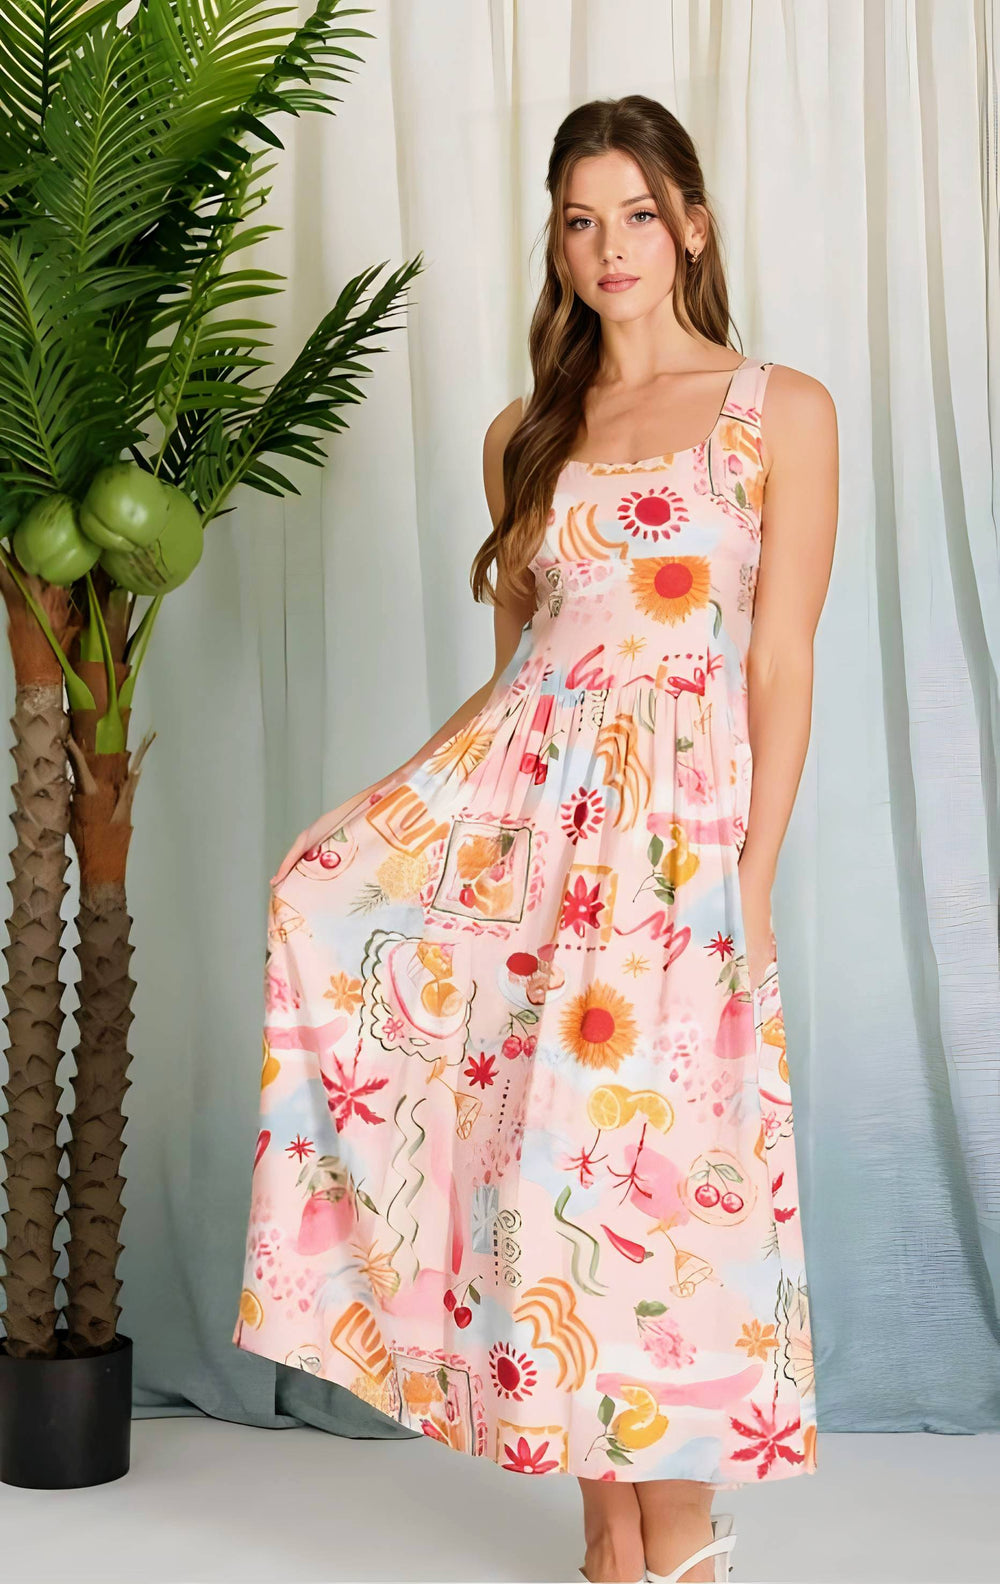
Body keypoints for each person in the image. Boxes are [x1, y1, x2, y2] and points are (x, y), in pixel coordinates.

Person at [233, 93, 838, 1584]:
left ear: (691, 226)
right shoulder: (528, 435)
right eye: (581, 221)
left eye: (638, 214)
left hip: (679, 858)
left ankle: (678, 1537)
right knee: (545, 1172)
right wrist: (371, 815)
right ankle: (605, 1536)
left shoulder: (778, 410)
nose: (611, 245)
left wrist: (751, 883)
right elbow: (520, 681)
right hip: (530, 854)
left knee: (666, 1186)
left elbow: (780, 664)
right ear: (557, 246)